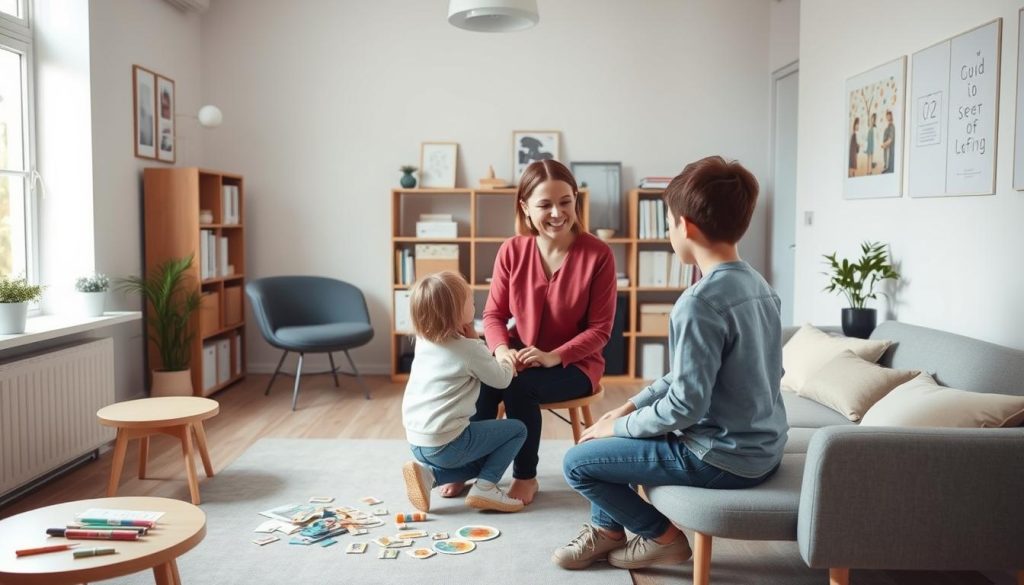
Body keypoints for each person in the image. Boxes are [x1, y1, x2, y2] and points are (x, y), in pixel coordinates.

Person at [552, 155, 788, 571]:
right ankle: (607, 531)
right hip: (761, 449)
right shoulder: (758, 285)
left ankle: (663, 538)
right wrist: (628, 407)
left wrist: (618, 427)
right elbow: (689, 375)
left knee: (578, 461)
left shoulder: (697, 304)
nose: (667, 231)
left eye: (667, 222)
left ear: (686, 226)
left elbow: (685, 407)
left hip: (720, 457)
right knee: (612, 436)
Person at [434, 159, 617, 505]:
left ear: (576, 200)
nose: (557, 213)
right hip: (519, 355)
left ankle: (525, 476)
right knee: (485, 380)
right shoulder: (512, 251)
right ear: (525, 208)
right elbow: (493, 315)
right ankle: (465, 467)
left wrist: (553, 355)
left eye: (566, 201)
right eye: (545, 204)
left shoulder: (599, 255)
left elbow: (600, 330)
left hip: (575, 364)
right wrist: (501, 350)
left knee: (519, 389)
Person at [400, 271, 528, 514]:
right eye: (469, 300)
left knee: (482, 457)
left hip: (418, 441)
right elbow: (501, 379)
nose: (474, 302)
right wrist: (507, 359)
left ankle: (431, 476)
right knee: (517, 430)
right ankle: (486, 488)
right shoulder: (469, 349)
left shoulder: (425, 340)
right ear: (456, 313)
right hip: (447, 443)